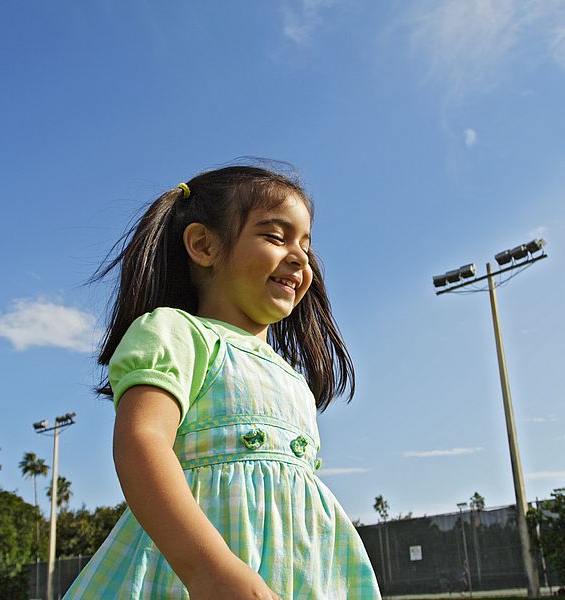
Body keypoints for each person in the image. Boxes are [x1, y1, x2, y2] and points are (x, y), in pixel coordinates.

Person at [63, 164, 382, 599]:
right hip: (191, 579)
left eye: (305, 245)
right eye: (275, 236)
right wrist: (208, 571)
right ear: (203, 245)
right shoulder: (176, 332)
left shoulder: (292, 377)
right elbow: (142, 441)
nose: (300, 258)